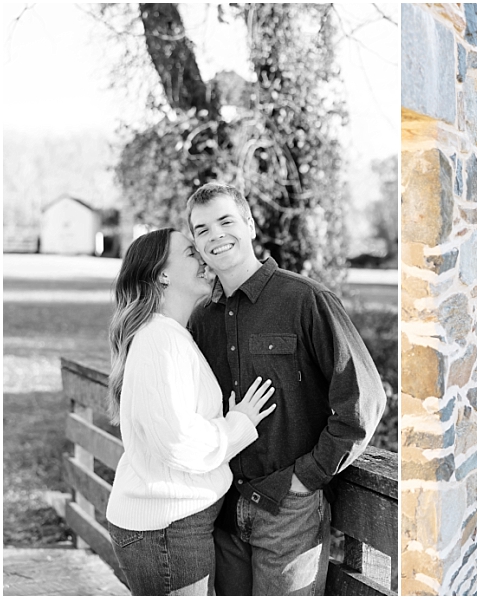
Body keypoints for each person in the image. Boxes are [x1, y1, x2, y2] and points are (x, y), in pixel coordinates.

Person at [185, 182, 387, 596]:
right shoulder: (201, 319)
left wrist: (307, 477)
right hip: (222, 511)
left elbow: (363, 399)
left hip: (288, 511)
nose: (215, 235)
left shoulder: (305, 299)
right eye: (202, 229)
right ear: (196, 243)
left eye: (226, 221)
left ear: (250, 224)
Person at [105, 228, 278, 595]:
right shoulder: (160, 340)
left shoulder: (170, 335)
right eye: (189, 252)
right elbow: (177, 440)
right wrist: (239, 425)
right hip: (168, 530)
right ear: (162, 274)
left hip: (173, 526)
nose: (203, 257)